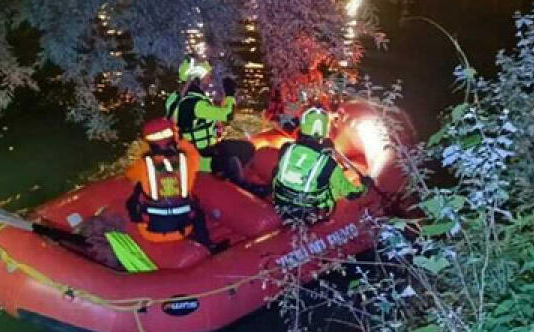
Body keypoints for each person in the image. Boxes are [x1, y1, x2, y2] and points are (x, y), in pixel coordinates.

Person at [165, 57, 266, 195]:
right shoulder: (197, 104)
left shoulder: (174, 99)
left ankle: (230, 179)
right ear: (196, 79)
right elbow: (228, 115)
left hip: (187, 151)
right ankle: (238, 188)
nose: (209, 81)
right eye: (206, 78)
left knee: (233, 148)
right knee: (245, 149)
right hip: (203, 156)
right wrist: (230, 94)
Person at [124, 118, 225, 253]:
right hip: (185, 228)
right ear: (173, 136)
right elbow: (193, 155)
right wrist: (179, 140)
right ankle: (207, 243)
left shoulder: (142, 164)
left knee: (137, 192)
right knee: (196, 206)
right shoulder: (189, 159)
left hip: (150, 231)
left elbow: (129, 175)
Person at [272, 107, 374, 219]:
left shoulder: (286, 148)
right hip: (307, 213)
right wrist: (366, 186)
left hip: (279, 204)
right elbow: (351, 194)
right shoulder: (328, 164)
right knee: (332, 186)